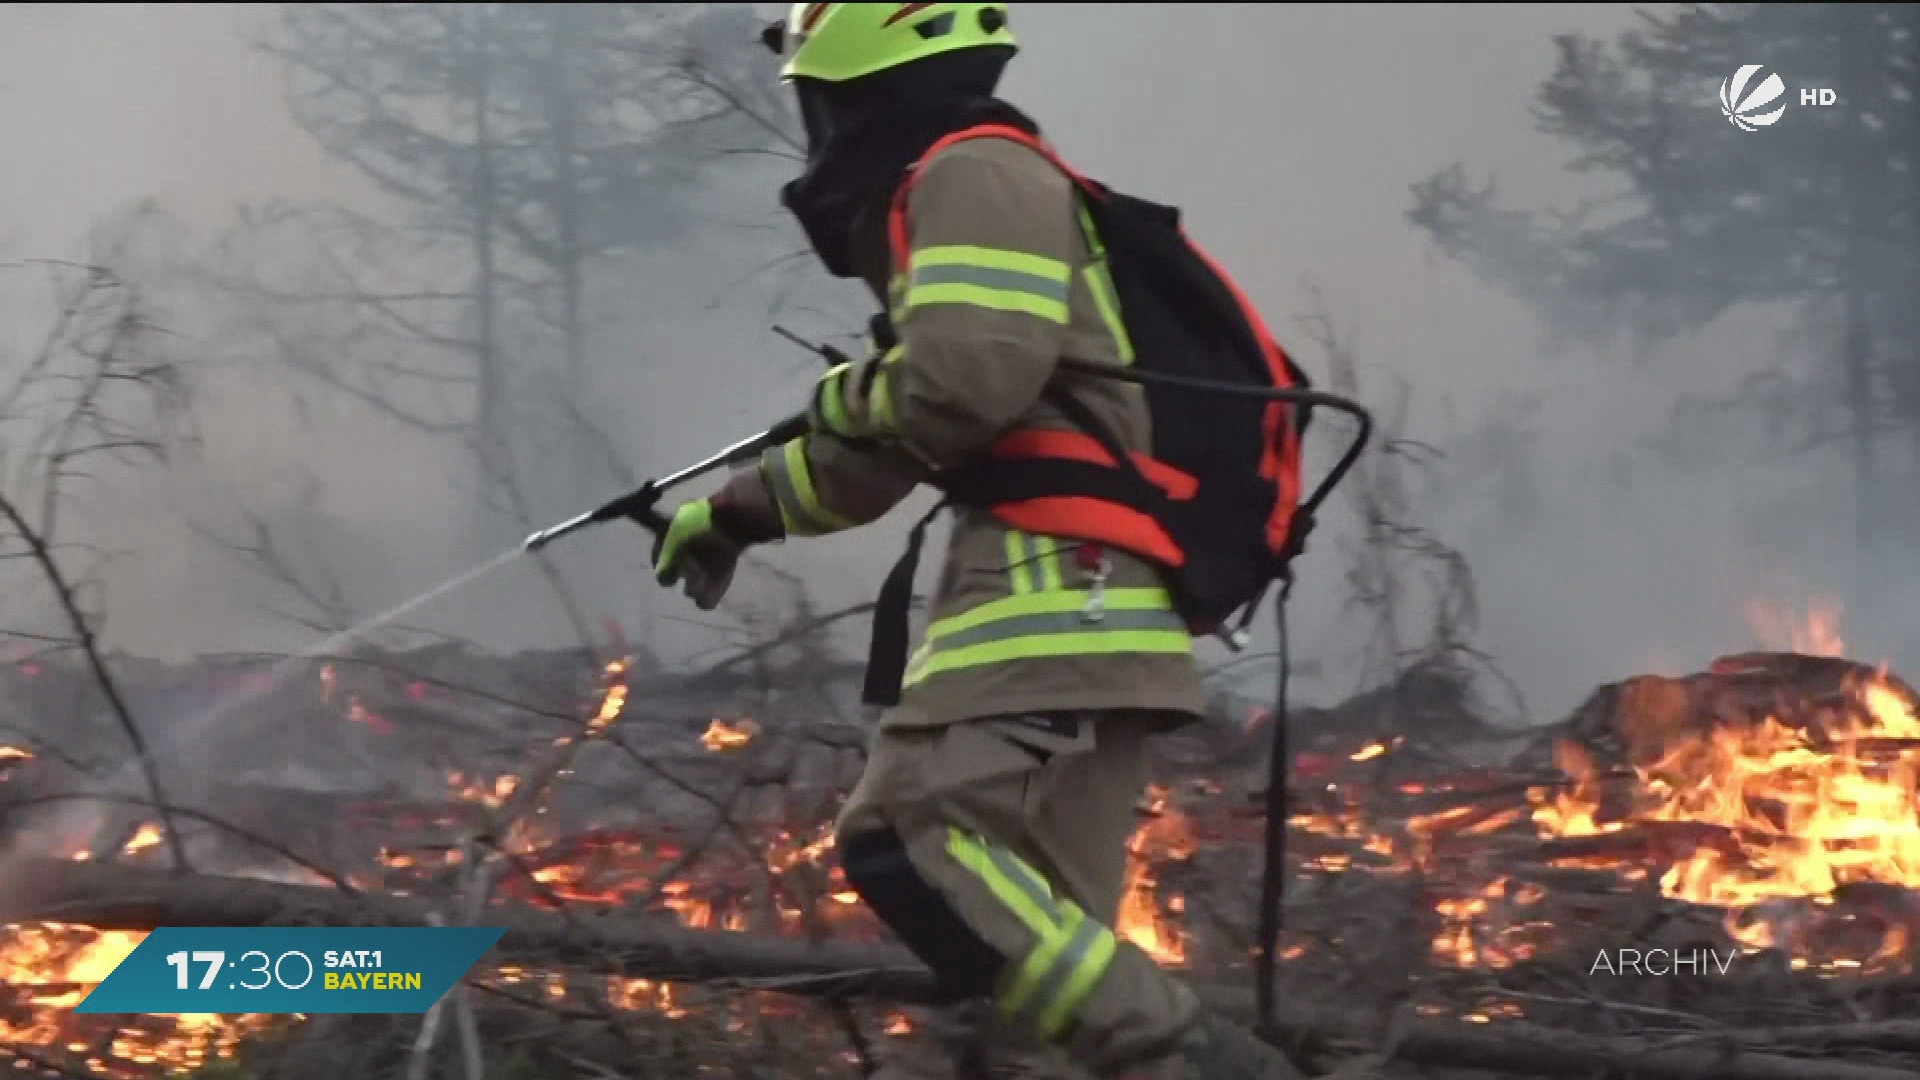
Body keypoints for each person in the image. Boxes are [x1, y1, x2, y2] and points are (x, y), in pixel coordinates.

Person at [652, 5, 1306, 1079]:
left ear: (857, 66)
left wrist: (845, 391)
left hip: (1055, 587)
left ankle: (1197, 1061)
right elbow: (900, 441)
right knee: (1029, 992)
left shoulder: (976, 172)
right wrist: (735, 512)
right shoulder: (955, 193)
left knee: (908, 837)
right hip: (1092, 601)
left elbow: (958, 388)